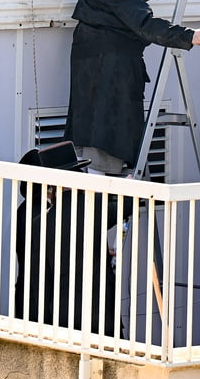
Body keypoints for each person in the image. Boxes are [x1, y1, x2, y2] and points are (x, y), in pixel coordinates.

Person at [64, 0, 200, 176]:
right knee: (106, 135)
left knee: (101, 128)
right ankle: (106, 197)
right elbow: (143, 23)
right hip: (107, 66)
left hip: (101, 60)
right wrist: (188, 35)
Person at [13, 140, 131, 332]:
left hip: (59, 316)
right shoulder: (93, 205)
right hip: (99, 316)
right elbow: (126, 205)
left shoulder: (37, 218)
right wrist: (128, 186)